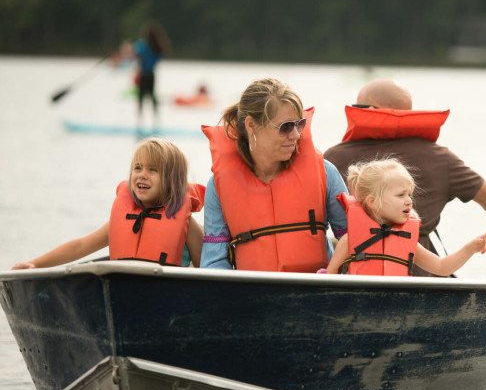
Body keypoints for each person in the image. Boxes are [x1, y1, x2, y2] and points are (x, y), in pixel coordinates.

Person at [324, 78, 486, 277]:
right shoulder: (440, 158)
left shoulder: (332, 158)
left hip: (359, 274)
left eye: (358, 107)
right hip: (423, 278)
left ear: (370, 110)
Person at [200, 78, 348, 272]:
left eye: (299, 124)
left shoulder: (325, 172)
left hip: (317, 292)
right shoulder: (218, 187)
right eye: (286, 127)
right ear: (251, 125)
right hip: (253, 294)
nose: (295, 135)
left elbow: (354, 239)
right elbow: (214, 262)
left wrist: (331, 276)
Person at [12, 138, 204, 269]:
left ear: (172, 181)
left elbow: (205, 269)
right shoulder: (123, 218)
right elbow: (80, 246)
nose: (142, 174)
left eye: (152, 170)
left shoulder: (187, 226)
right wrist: (35, 264)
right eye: (137, 168)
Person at [326, 159, 486, 276]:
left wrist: (470, 248)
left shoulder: (407, 241)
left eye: (410, 195)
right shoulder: (349, 241)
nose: (409, 201)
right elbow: (329, 279)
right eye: (400, 195)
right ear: (372, 201)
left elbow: (442, 267)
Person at [133, 21, 171, 127]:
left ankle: (139, 120)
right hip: (151, 75)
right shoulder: (157, 47)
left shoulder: (143, 46)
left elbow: (136, 52)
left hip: (144, 75)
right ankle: (156, 119)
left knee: (141, 97)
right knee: (152, 96)